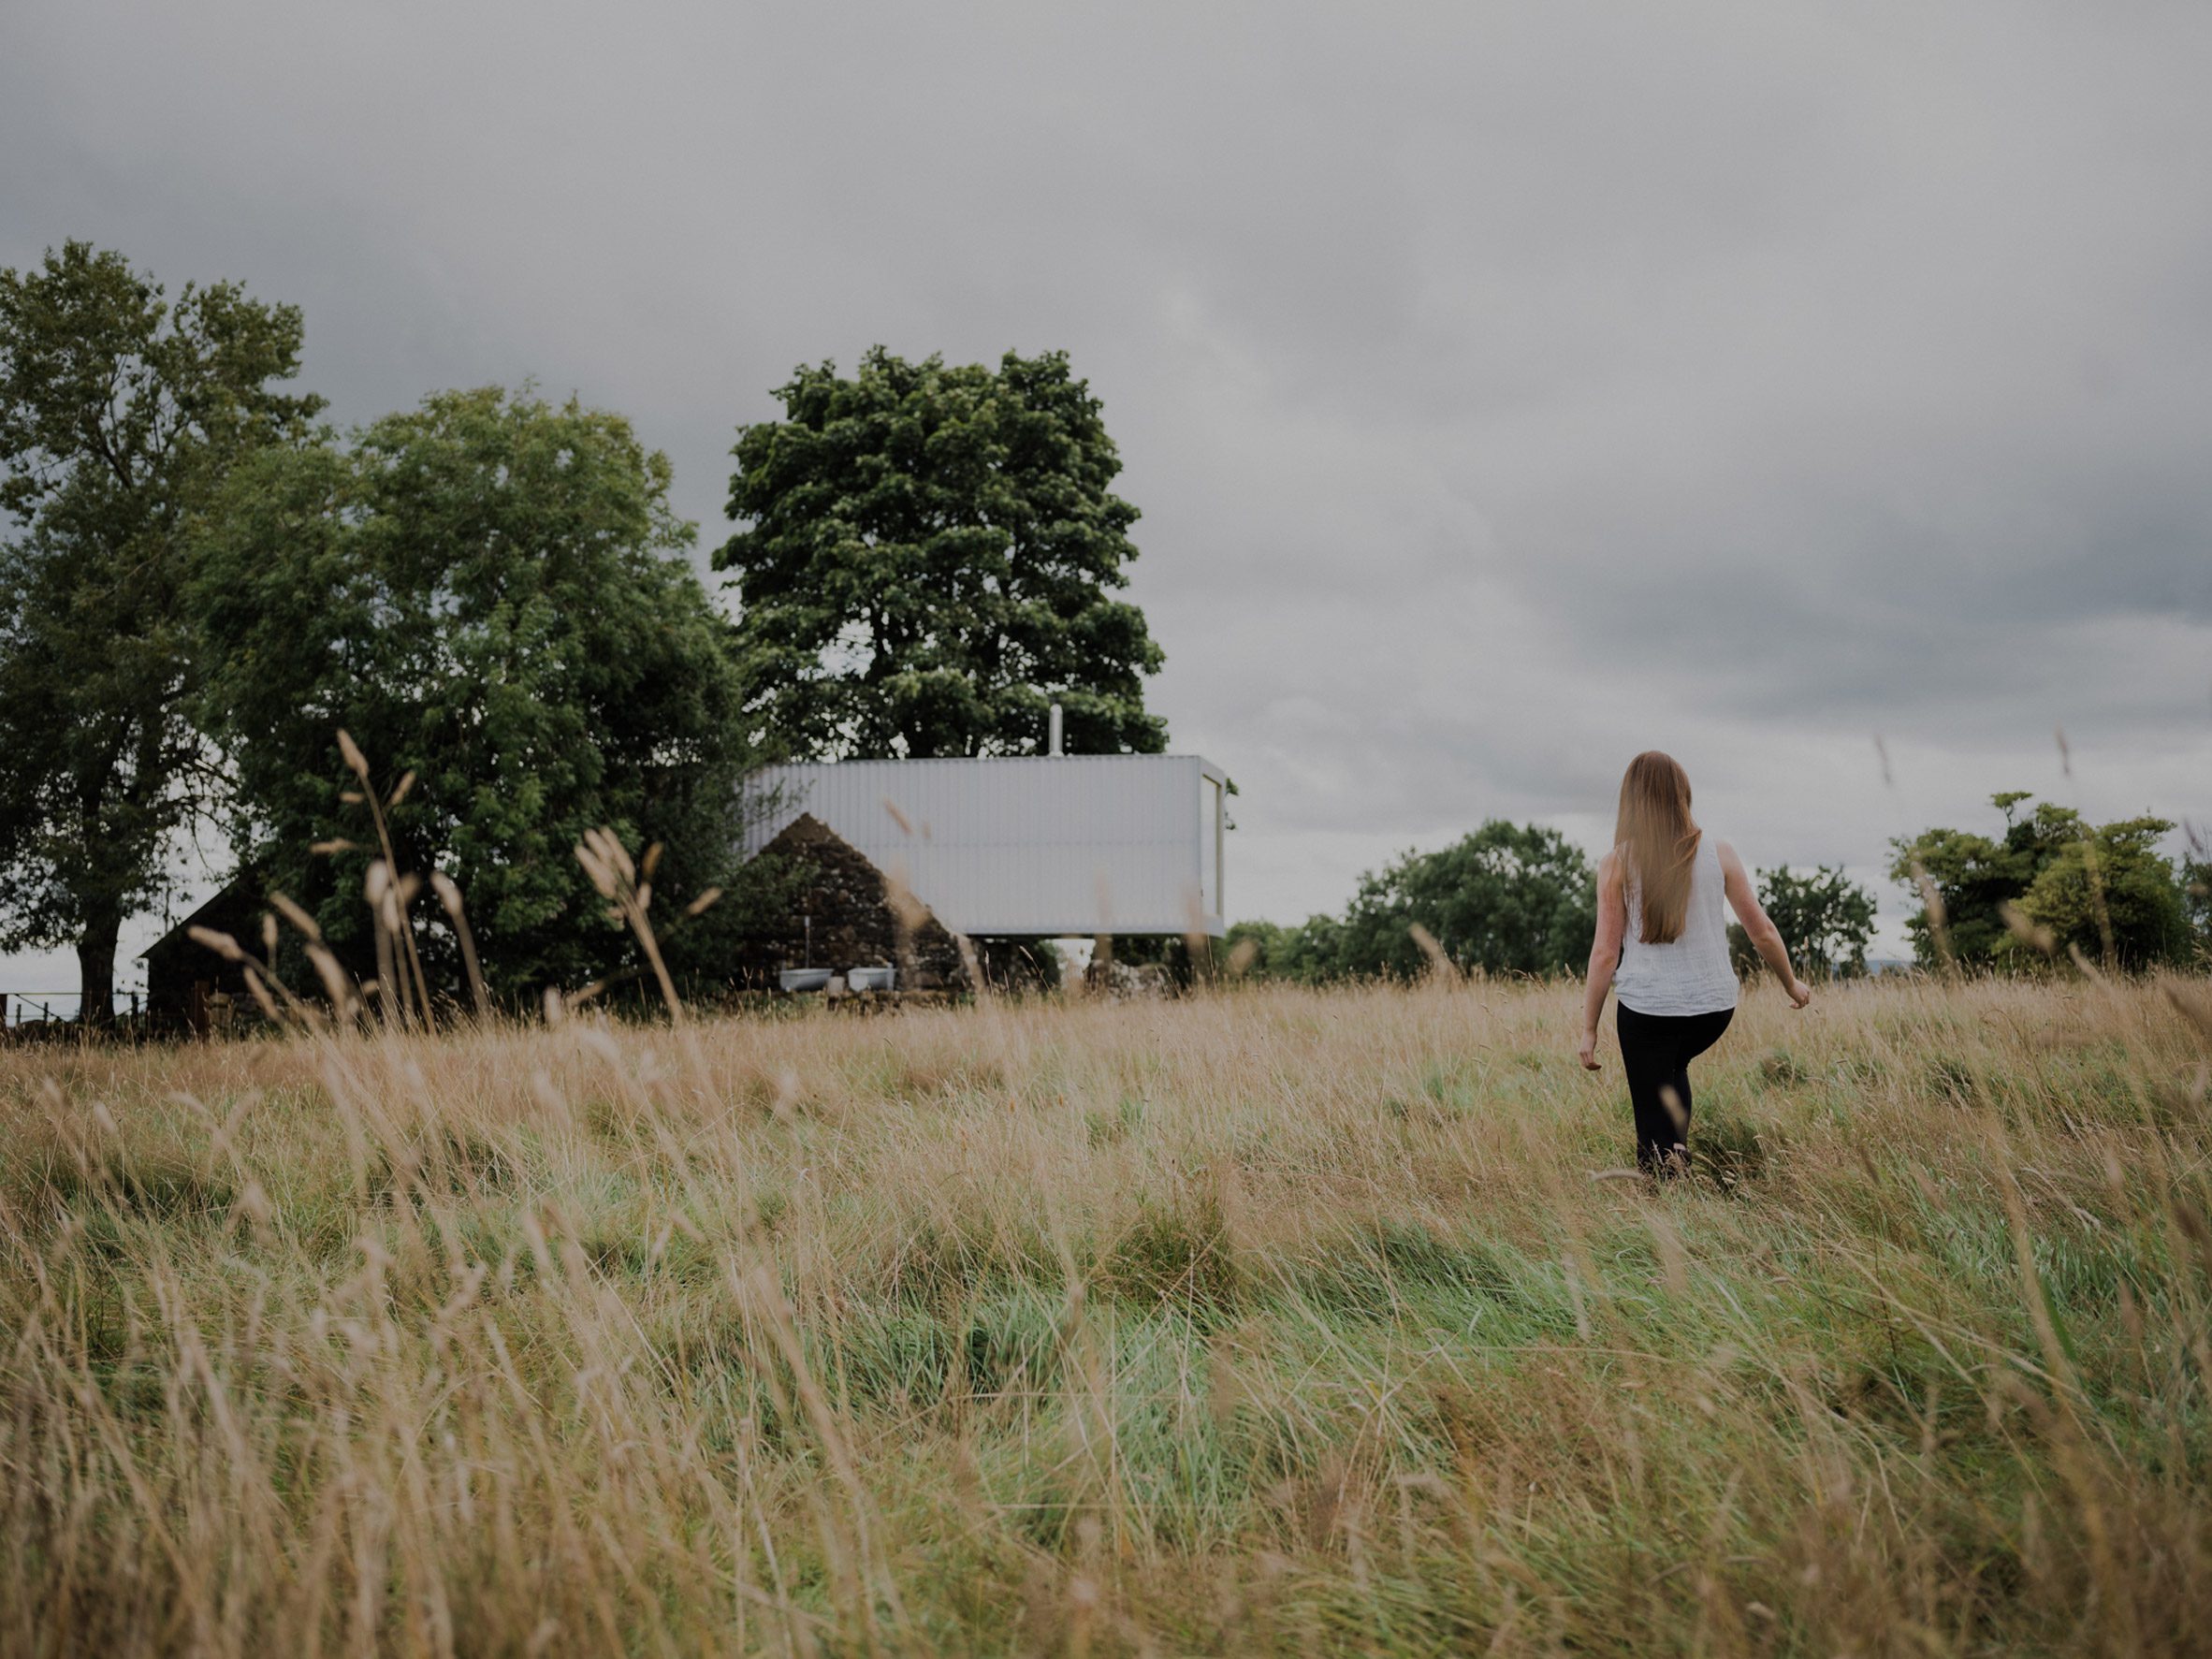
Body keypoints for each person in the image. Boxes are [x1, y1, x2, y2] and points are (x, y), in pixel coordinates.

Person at [1577, 751, 1811, 1173]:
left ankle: (1665, 1182)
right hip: (1713, 1009)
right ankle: (1678, 1153)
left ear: (1632, 801)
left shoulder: (1618, 863)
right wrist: (1791, 984)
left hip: (1648, 1010)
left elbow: (1605, 954)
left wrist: (1589, 1028)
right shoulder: (1719, 852)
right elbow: (1763, 932)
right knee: (1673, 1064)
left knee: (1650, 1105)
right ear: (1682, 794)